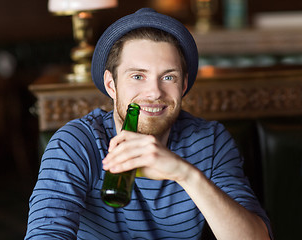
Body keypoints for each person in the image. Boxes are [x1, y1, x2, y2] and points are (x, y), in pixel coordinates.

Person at [25, 8, 273, 240]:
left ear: (183, 85)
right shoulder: (76, 143)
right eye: (137, 76)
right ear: (112, 85)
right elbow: (45, 233)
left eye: (168, 77)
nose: (154, 92)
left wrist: (185, 174)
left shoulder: (210, 141)